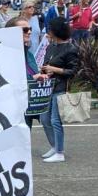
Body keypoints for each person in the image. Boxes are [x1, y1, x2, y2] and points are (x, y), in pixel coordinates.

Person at [38, 17, 79, 162]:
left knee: (55, 120)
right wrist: (46, 71)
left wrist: (54, 69)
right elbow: (46, 64)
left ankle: (59, 152)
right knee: (44, 119)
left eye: (50, 29)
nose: (48, 31)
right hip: (48, 87)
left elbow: (73, 71)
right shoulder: (51, 47)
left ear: (56, 31)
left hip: (60, 87)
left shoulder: (71, 48)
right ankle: (54, 146)